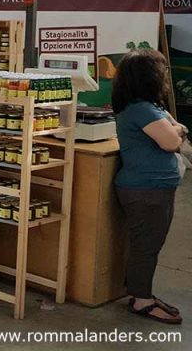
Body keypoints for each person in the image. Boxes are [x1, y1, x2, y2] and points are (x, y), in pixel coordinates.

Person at [112, 50, 184, 325]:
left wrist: (175, 130)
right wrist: (176, 131)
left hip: (154, 188)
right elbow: (172, 140)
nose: (165, 75)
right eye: (162, 70)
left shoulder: (149, 107)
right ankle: (141, 299)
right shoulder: (141, 109)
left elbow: (176, 128)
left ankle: (142, 292)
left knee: (150, 243)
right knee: (146, 245)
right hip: (146, 190)